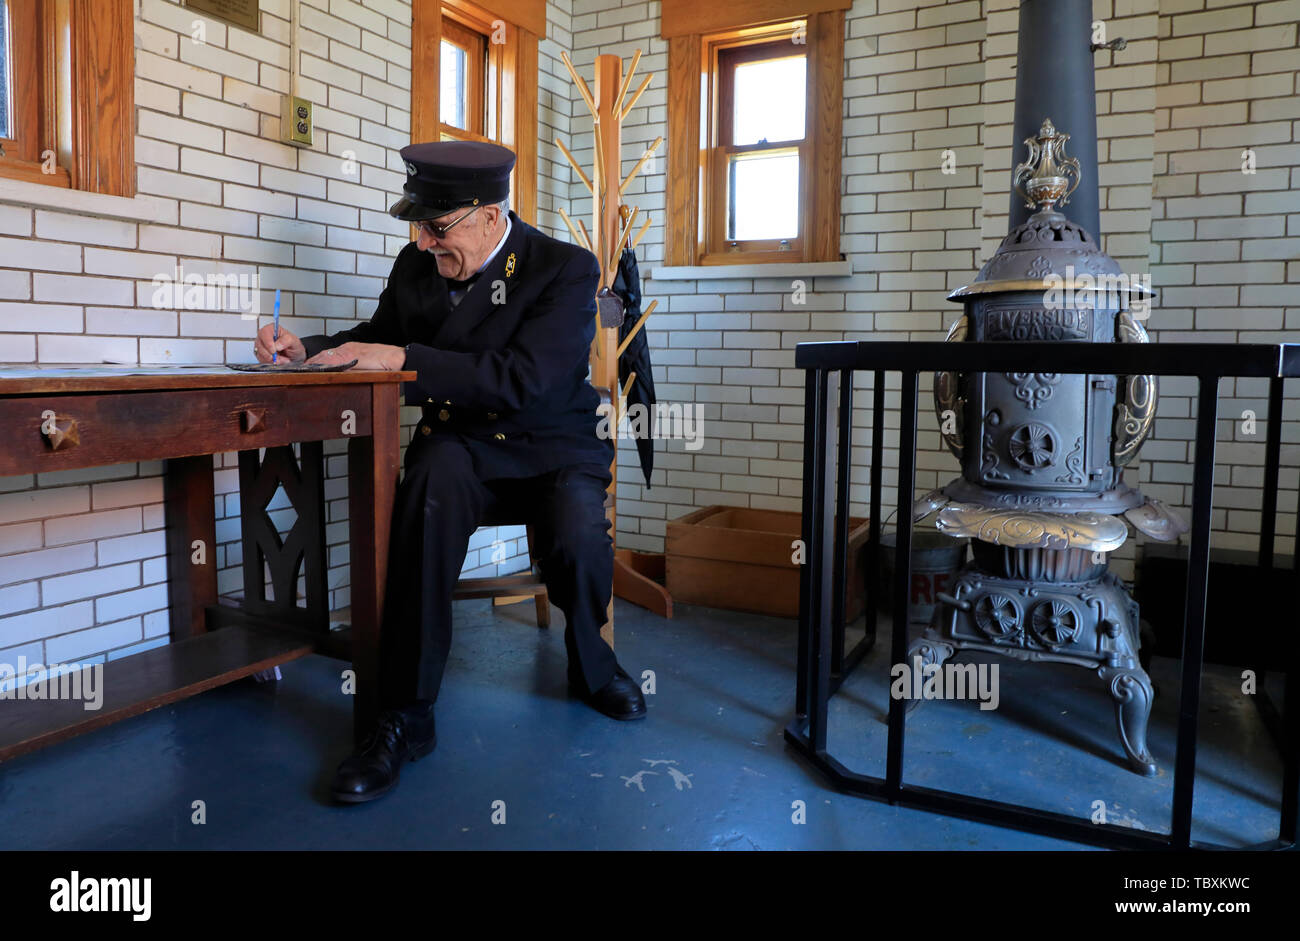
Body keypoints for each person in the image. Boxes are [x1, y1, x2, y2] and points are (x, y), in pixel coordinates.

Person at [254, 140, 646, 804]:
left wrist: (401, 354)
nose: (423, 241)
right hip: (463, 445)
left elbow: (522, 377)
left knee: (578, 534)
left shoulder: (565, 268)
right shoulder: (417, 264)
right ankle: (403, 717)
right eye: (417, 223)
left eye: (437, 227)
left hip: (554, 444)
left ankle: (594, 666)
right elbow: (377, 334)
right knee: (426, 494)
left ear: (492, 216)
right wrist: (309, 349)